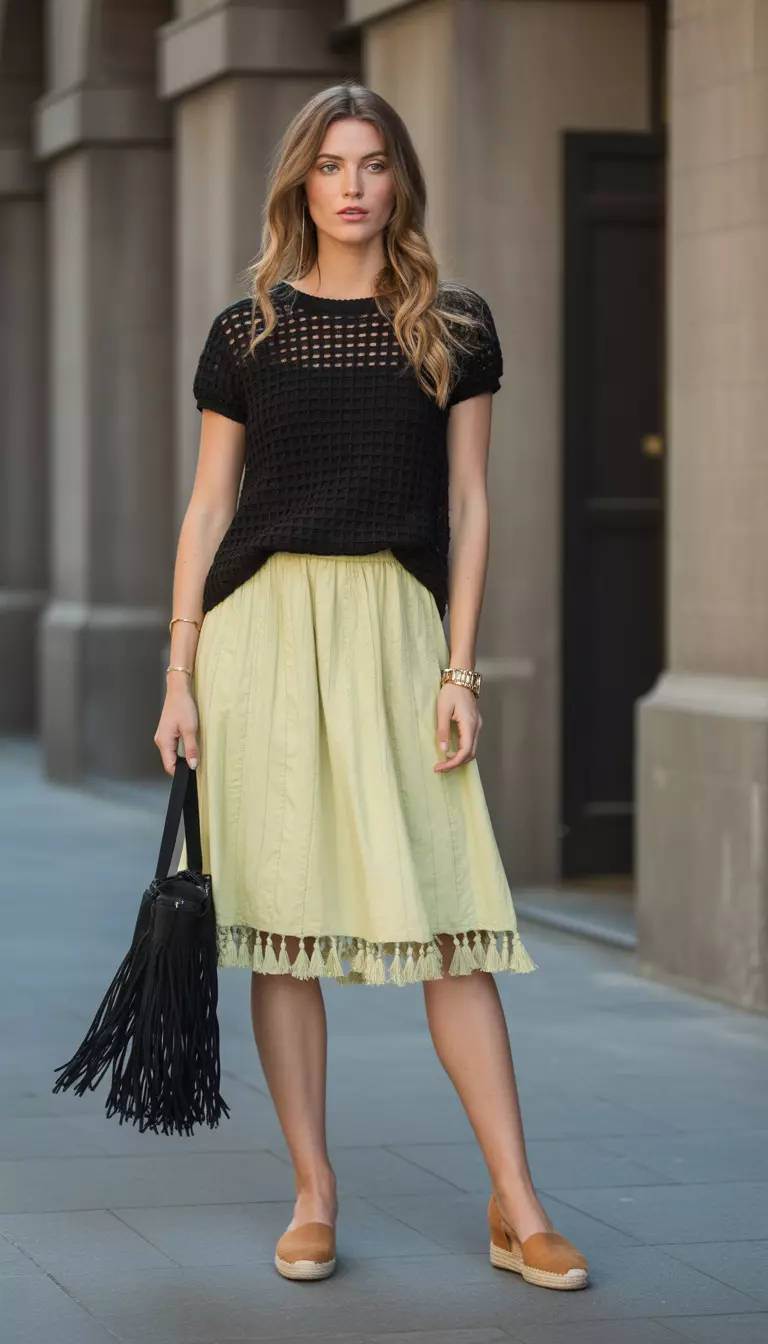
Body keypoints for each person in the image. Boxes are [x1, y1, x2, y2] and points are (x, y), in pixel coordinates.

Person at [155, 82, 589, 1292]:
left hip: (398, 634)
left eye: (375, 163)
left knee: (454, 920)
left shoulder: (451, 322)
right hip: (262, 637)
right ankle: (313, 1191)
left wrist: (461, 669)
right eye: (331, 164)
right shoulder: (248, 331)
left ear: (401, 180)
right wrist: (180, 670)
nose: (352, 185)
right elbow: (208, 506)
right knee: (283, 931)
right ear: (301, 182)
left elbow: (470, 505)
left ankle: (518, 1201)